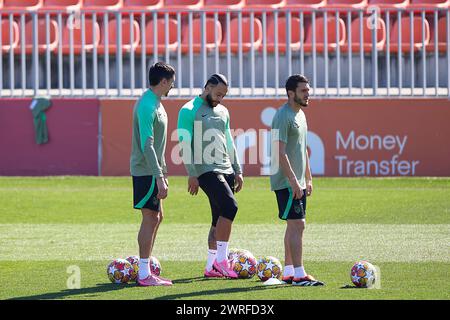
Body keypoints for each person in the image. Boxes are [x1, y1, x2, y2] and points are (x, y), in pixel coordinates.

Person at [177, 74, 243, 279]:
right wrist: (191, 174)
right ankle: (222, 261)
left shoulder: (223, 111)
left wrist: (237, 169)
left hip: (226, 169)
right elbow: (184, 143)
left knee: (217, 218)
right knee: (230, 207)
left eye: (223, 95)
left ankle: (211, 266)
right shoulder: (188, 110)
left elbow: (229, 141)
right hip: (205, 169)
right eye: (217, 94)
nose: (220, 99)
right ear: (207, 87)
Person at [270, 74, 324, 286]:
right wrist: (293, 180)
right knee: (298, 224)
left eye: (308, 90)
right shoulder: (282, 116)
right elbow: (279, 152)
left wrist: (307, 178)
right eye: (303, 91)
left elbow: (302, 151)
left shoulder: (300, 114)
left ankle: (289, 272)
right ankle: (300, 275)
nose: (307, 94)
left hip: (298, 181)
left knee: (293, 226)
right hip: (286, 181)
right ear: (291, 93)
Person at [130, 62, 175, 286]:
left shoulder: (154, 102)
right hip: (147, 170)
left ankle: (145, 268)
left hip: (153, 169)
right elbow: (147, 145)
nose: (172, 87)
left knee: (157, 217)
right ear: (164, 81)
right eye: (171, 82)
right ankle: (144, 273)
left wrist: (163, 172)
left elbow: (156, 145)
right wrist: (158, 176)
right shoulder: (148, 105)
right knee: (150, 217)